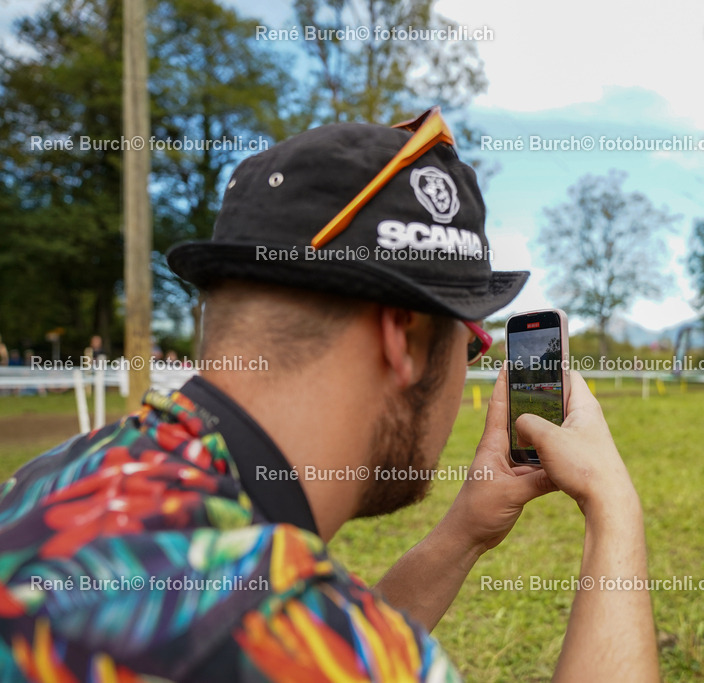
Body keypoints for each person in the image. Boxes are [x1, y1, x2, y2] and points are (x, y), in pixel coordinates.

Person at [0, 109, 658, 681]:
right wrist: (613, 508)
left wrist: (464, 530)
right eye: (472, 343)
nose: (471, 375)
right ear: (402, 335)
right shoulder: (306, 638)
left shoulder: (59, 473)